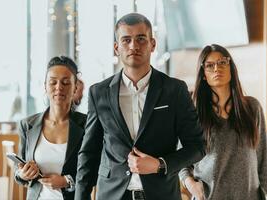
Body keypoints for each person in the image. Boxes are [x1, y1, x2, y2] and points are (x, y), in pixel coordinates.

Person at [75, 13, 205, 200]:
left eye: (141, 39)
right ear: (116, 47)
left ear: (153, 44)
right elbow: (89, 153)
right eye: (126, 40)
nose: (133, 46)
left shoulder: (175, 90)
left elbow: (197, 146)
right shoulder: (99, 92)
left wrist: (160, 164)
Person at [179, 44, 267, 200]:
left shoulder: (253, 108)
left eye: (222, 62)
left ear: (231, 67)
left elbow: (263, 162)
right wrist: (192, 186)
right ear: (203, 74)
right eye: (210, 65)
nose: (217, 68)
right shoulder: (194, 113)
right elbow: (181, 160)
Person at [14, 56, 87, 200]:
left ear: (75, 87)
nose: (59, 87)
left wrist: (67, 181)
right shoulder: (27, 125)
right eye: (53, 82)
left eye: (66, 82)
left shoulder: (87, 124)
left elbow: (97, 170)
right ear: (45, 86)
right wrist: (22, 174)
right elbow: (19, 171)